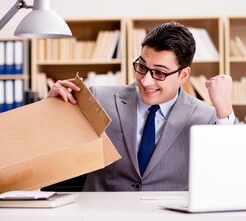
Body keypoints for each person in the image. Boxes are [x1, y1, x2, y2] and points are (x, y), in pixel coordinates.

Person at [47, 21, 235, 191]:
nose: (145, 81)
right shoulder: (98, 98)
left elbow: (230, 172)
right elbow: (51, 151)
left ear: (184, 75)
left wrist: (225, 111)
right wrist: (50, 109)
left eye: (159, 73)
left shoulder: (206, 117)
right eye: (142, 67)